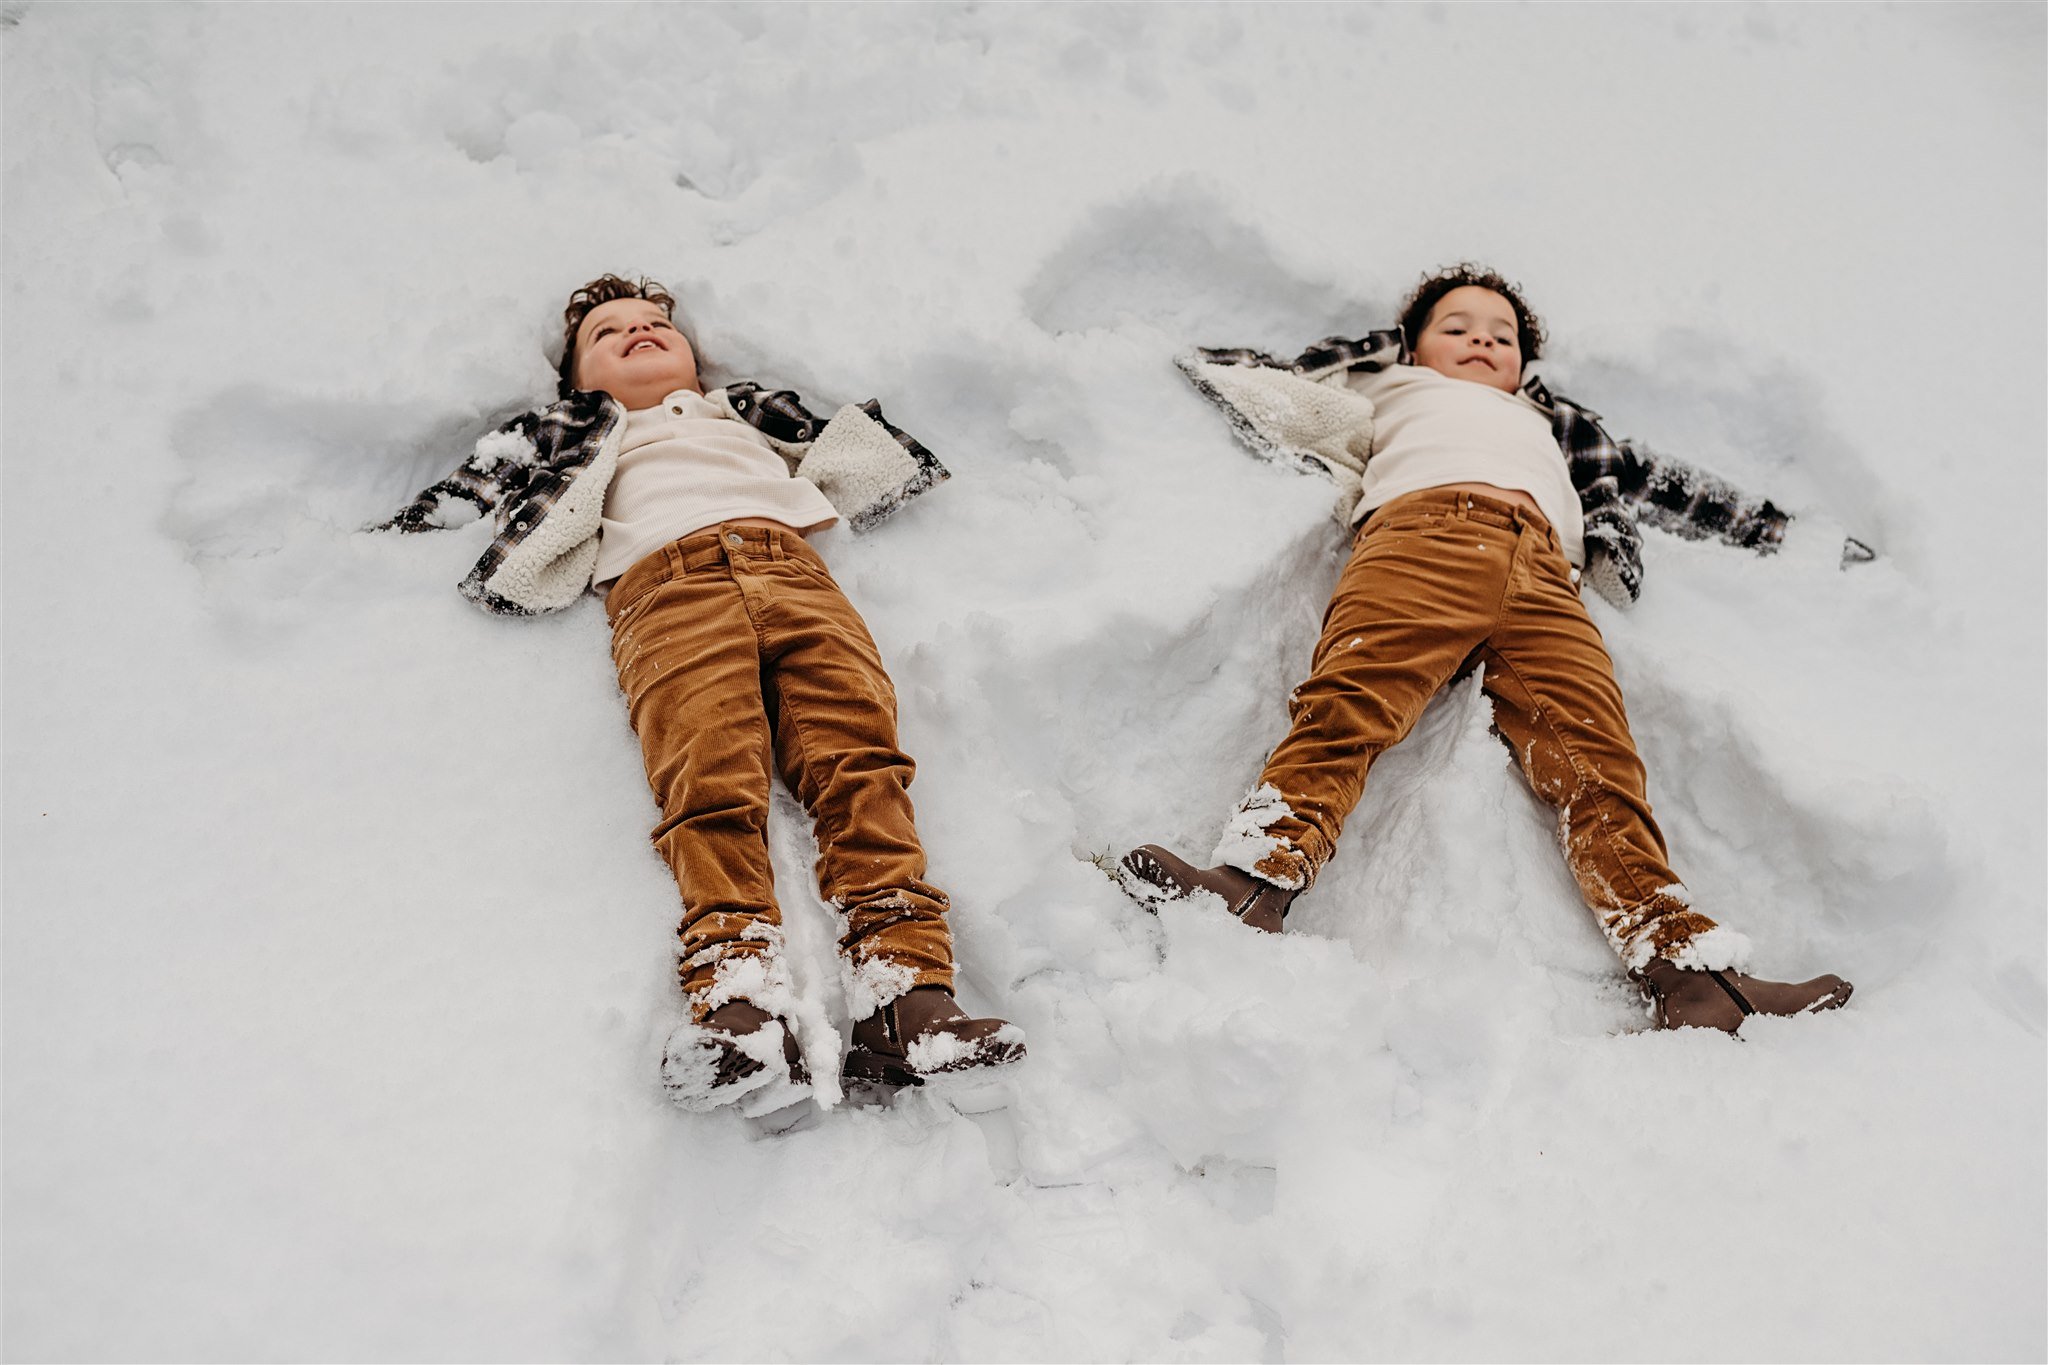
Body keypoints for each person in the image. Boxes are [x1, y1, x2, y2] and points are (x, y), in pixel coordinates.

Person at [1119, 263, 1861, 1033]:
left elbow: (1682, 492)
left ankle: (1692, 976)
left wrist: (1792, 536)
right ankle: (1253, 879)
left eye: (1500, 334)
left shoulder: (1562, 426)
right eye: (1457, 326)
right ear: (1412, 345)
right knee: (1351, 698)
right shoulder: (1383, 383)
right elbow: (1254, 379)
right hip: (1422, 536)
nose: (1481, 339)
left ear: (1522, 363)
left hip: (1545, 577)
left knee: (1596, 762)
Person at [382, 275, 1024, 1113]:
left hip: (794, 576)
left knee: (860, 766)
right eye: (611, 331)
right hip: (665, 592)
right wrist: (375, 550)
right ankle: (741, 1005)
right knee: (708, 779)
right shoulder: (570, 428)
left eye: (657, 324)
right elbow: (474, 488)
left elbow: (853, 445)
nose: (641, 333)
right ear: (578, 376)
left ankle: (908, 998)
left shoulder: (739, 408)